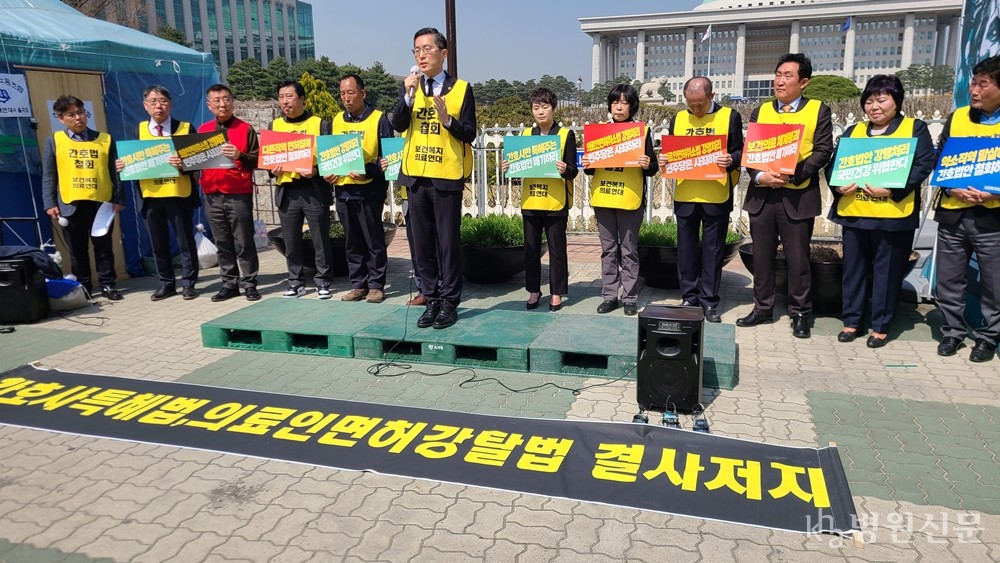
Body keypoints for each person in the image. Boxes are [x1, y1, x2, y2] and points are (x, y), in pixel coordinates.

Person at [826, 75, 936, 348]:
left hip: (893, 216)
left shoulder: (914, 128)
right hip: (855, 212)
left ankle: (881, 325)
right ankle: (851, 321)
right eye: (869, 100)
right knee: (853, 270)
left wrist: (892, 190)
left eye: (881, 99)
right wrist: (838, 185)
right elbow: (833, 166)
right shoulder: (853, 131)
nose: (874, 106)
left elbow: (923, 165)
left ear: (896, 102)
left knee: (887, 272)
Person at [736, 53, 833, 338]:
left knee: (797, 259)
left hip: (797, 196)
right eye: (778, 74)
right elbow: (750, 151)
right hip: (763, 194)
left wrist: (794, 173)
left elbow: (823, 151)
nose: (780, 81)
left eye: (787, 75)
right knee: (762, 257)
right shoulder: (761, 111)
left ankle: (800, 313)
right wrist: (758, 175)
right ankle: (762, 308)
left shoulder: (818, 110)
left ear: (803, 82)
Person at [390, 27, 477, 329]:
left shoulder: (462, 89)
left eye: (427, 48)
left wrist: (448, 121)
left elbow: (470, 132)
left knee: (447, 245)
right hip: (415, 178)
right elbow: (398, 124)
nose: (422, 54)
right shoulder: (412, 89)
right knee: (422, 244)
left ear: (443, 52)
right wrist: (407, 96)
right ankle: (431, 299)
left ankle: (450, 303)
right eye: (417, 50)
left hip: (445, 178)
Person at [658, 77, 743, 323]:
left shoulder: (730, 117)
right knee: (685, 251)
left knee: (713, 250)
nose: (695, 109)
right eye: (690, 104)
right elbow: (671, 152)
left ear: (712, 95)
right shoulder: (679, 119)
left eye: (700, 104)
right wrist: (665, 160)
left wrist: (731, 160)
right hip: (686, 194)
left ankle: (709, 301)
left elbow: (740, 150)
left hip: (715, 195)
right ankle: (688, 297)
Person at [933, 55, 1000, 363]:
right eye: (974, 82)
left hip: (992, 217)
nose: (974, 89)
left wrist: (993, 194)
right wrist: (949, 186)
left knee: (994, 283)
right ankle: (952, 332)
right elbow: (940, 158)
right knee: (949, 278)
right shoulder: (958, 117)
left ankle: (987, 337)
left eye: (982, 84)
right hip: (953, 213)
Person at [581, 84, 658, 316]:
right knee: (608, 249)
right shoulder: (599, 132)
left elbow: (652, 166)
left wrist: (647, 164)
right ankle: (609, 296)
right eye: (615, 102)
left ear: (632, 106)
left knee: (629, 250)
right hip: (604, 197)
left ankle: (630, 297)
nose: (619, 107)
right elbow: (590, 170)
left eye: (624, 102)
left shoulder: (641, 132)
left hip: (630, 199)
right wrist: (587, 164)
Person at [41, 95, 125, 301]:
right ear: (60, 118)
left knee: (104, 247)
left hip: (101, 202)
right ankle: (84, 286)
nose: (78, 118)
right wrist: (50, 203)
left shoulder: (105, 139)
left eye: (80, 113)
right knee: (77, 250)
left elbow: (115, 171)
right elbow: (49, 175)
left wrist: (119, 198)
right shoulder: (54, 141)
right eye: (71, 115)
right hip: (70, 204)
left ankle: (107, 284)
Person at [501, 88, 578, 312]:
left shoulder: (565, 135)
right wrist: (509, 167)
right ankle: (534, 291)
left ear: (553, 108)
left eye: (545, 107)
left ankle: (556, 293)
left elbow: (573, 170)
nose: (540, 112)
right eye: (536, 107)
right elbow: (517, 171)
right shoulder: (525, 136)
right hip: (531, 202)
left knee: (557, 251)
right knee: (531, 250)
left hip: (555, 203)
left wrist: (565, 169)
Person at [324, 73, 394, 304]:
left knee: (373, 239)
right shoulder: (335, 120)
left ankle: (376, 285)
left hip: (369, 190)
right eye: (342, 93)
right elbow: (329, 154)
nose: (346, 98)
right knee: (351, 240)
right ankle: (358, 284)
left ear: (363, 93)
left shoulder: (378, 119)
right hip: (343, 190)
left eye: (351, 92)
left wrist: (369, 171)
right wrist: (329, 173)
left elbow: (390, 159)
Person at [127, 85, 201, 301]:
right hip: (151, 195)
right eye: (153, 101)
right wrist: (125, 164)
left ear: (171, 104)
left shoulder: (185, 128)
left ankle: (189, 283)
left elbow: (198, 161)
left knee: (185, 241)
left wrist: (184, 163)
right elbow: (135, 161)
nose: (158, 105)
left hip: (179, 194)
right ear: (145, 105)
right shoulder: (138, 130)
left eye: (162, 101)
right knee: (158, 243)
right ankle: (166, 284)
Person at [270, 79, 334, 299]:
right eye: (281, 97)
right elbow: (269, 163)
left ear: (302, 99)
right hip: (287, 191)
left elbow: (330, 159)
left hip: (313, 190)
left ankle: (323, 281)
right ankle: (295, 281)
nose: (285, 101)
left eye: (290, 96)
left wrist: (316, 170)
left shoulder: (319, 124)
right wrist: (274, 170)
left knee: (320, 238)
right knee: (291, 239)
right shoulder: (275, 126)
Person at [198, 83, 261, 302]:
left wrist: (240, 154)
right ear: (209, 105)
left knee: (243, 241)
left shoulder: (245, 129)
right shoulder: (203, 131)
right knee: (222, 241)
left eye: (226, 99)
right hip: (212, 194)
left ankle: (250, 283)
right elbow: (193, 160)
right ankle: (229, 283)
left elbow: (257, 159)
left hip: (238, 193)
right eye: (217, 100)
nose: (222, 104)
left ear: (232, 102)